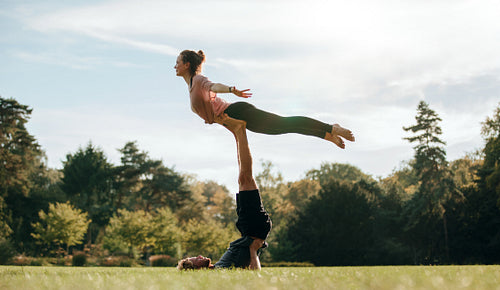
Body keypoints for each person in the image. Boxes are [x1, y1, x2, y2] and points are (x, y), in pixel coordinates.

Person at [175, 49, 355, 149]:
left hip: (237, 111)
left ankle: (332, 128)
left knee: (285, 123)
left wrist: (231, 90)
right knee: (285, 128)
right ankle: (327, 135)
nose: (175, 66)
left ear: (187, 65)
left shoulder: (198, 81)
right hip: (233, 119)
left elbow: (214, 86)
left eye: (177, 62)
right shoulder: (191, 87)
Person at [177, 115, 272, 270]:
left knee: (242, 178)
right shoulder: (219, 271)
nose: (199, 256)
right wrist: (254, 251)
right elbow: (255, 272)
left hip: (246, 228)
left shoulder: (218, 267)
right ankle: (240, 131)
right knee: (246, 177)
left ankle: (238, 133)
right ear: (196, 268)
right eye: (195, 259)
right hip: (255, 227)